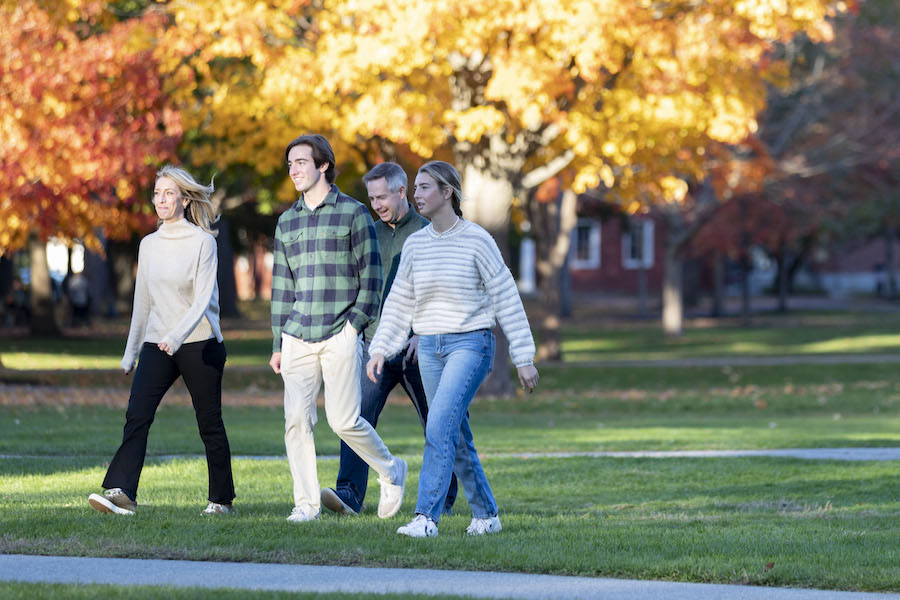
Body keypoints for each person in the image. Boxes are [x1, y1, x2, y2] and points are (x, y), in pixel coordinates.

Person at [368, 160, 540, 538]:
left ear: (448, 193)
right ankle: (486, 515)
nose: (416, 194)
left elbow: (506, 297)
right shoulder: (415, 245)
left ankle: (426, 517)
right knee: (454, 433)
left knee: (438, 425)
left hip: (471, 343)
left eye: (425, 187)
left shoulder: (478, 240)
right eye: (415, 188)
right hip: (428, 347)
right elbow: (398, 303)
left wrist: (523, 358)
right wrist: (380, 348)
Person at [270, 134, 407, 523]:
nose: (294, 170)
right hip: (297, 333)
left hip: (341, 332)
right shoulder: (286, 222)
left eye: (301, 162)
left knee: (344, 420)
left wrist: (354, 326)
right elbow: (282, 287)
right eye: (290, 164)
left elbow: (372, 278)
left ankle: (391, 469)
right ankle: (306, 504)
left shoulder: (354, 213)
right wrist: (278, 342)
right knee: (296, 420)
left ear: (323, 165)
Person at [88, 165, 235, 516]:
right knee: (137, 415)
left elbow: (202, 301)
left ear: (184, 199)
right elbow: (144, 302)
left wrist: (176, 336)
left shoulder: (203, 242)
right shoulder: (148, 245)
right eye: (157, 194)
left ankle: (221, 500)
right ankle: (122, 492)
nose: (161, 200)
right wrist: (131, 354)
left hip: (199, 342)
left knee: (209, 423)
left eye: (169, 193)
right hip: (158, 344)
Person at [320, 162, 457, 517]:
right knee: (355, 418)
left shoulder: (429, 231)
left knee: (439, 421)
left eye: (382, 196)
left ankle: (446, 497)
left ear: (401, 192)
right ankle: (349, 494)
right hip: (373, 348)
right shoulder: (368, 233)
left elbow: (442, 291)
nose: (376, 204)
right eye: (372, 198)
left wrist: (422, 334)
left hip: (419, 348)